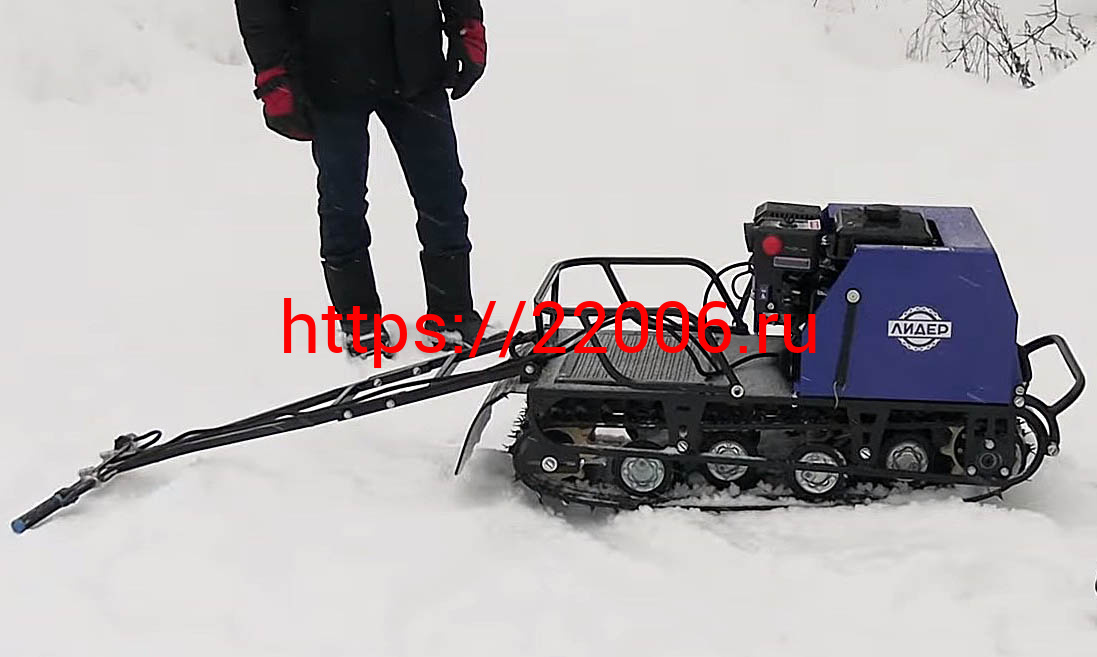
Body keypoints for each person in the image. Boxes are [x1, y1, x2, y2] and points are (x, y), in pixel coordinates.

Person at [234, 0, 489, 357]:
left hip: (414, 61)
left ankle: (453, 314)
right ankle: (359, 321)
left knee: (443, 191)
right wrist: (272, 75)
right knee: (343, 201)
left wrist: (467, 23)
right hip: (329, 72)